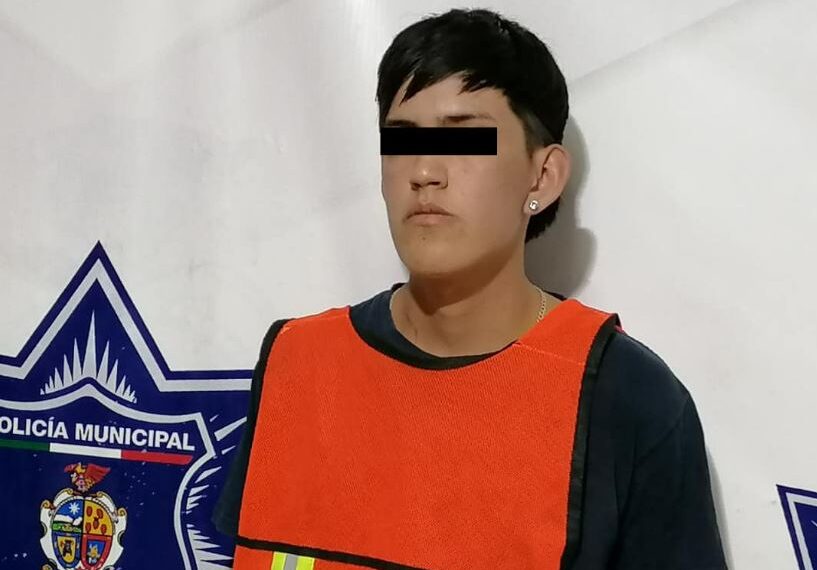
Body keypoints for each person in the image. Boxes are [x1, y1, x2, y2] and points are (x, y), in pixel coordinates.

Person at [213, 8, 727, 570]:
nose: (424, 171)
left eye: (464, 138)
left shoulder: (628, 401)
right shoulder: (297, 361)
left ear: (543, 176)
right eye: (401, 141)